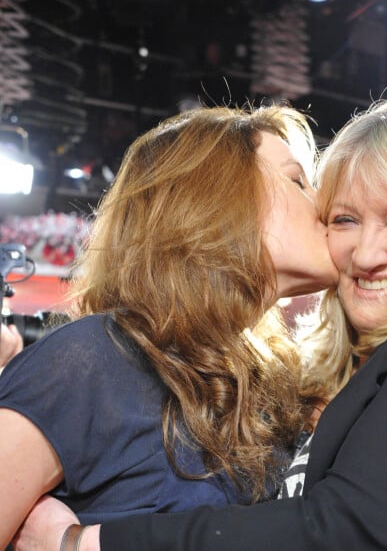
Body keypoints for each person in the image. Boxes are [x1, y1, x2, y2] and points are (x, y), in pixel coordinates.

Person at [14, 92, 387, 550]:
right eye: (340, 214)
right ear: (215, 205)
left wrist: (84, 544)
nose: (361, 249)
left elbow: (344, 527)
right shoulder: (93, 359)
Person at [0, 103, 339, 548]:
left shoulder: (270, 388)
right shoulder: (92, 361)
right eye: (298, 181)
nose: (323, 207)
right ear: (218, 200)